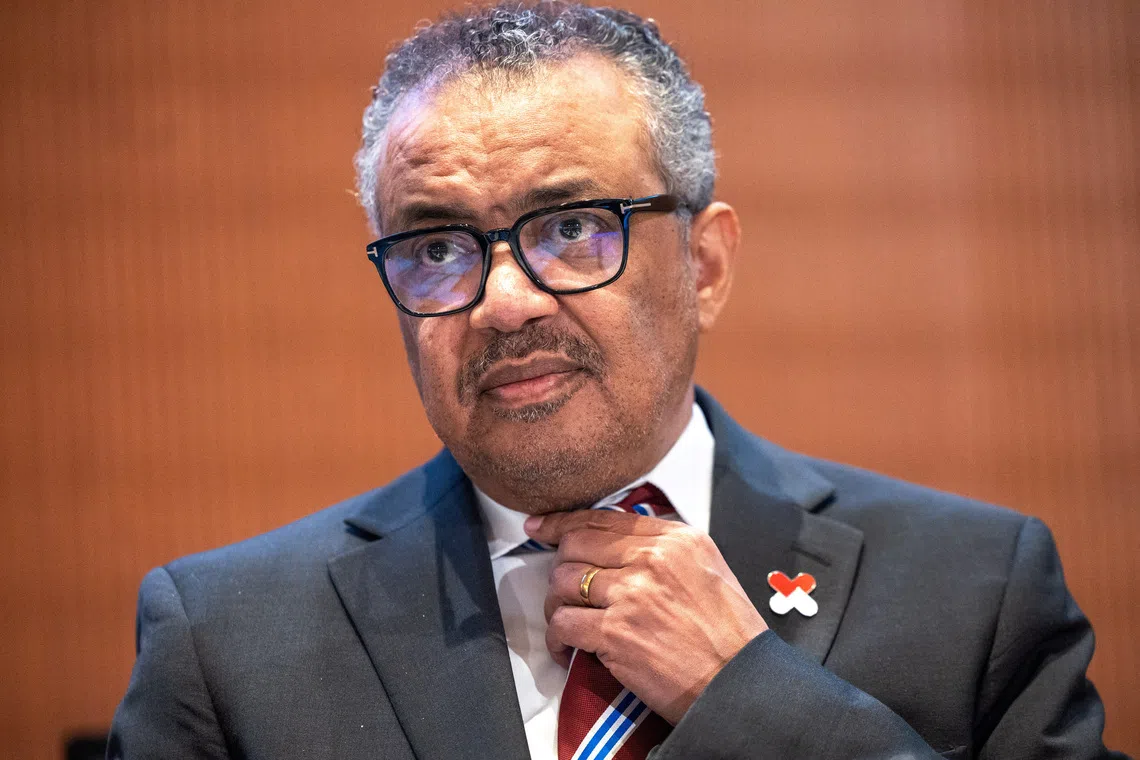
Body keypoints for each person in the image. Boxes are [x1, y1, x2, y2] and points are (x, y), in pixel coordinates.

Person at [108, 3, 1127, 759]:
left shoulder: (976, 590)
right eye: (436, 246)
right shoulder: (229, 639)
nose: (503, 301)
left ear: (705, 265)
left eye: (570, 227)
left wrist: (751, 694)